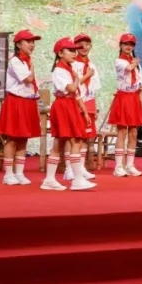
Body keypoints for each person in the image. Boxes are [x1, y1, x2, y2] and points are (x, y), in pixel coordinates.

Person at [42, 37, 95, 191]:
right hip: (63, 105)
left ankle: (50, 179)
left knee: (61, 143)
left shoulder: (69, 69)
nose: (74, 53)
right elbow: (71, 88)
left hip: (70, 105)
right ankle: (77, 179)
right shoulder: (59, 70)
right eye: (70, 50)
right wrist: (79, 79)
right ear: (60, 53)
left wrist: (84, 111)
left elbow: (76, 94)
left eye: (74, 50)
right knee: (74, 141)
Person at [0, 29, 43, 186]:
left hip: (28, 101)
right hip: (16, 102)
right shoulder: (16, 61)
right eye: (28, 41)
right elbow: (28, 79)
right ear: (18, 44)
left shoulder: (26, 61)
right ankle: (8, 174)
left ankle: (20, 173)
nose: (32, 44)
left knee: (23, 138)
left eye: (33, 42)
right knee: (12, 138)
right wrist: (32, 67)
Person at [107, 33, 142, 177]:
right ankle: (118, 166)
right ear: (120, 45)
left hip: (134, 98)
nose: (128, 46)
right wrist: (135, 63)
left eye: (131, 44)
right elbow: (128, 69)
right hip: (123, 98)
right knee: (122, 131)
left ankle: (130, 165)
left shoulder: (136, 64)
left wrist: (141, 104)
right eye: (125, 44)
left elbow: (140, 85)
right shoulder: (120, 61)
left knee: (133, 132)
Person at [66, 33, 99, 183]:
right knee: (73, 137)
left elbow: (93, 88)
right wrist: (86, 75)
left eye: (87, 44)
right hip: (75, 103)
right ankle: (69, 169)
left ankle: (81, 167)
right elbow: (73, 86)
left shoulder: (92, 65)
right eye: (80, 45)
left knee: (86, 136)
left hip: (89, 103)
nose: (84, 47)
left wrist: (94, 108)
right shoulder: (72, 64)